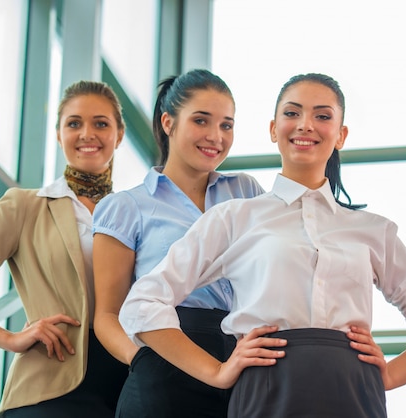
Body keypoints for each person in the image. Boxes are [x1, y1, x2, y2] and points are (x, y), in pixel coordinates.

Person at [118, 73, 406, 418]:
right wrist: (216, 372)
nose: (306, 125)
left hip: (356, 392)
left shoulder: (373, 231)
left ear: (341, 135)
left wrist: (388, 375)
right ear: (272, 129)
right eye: (293, 113)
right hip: (266, 391)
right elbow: (143, 303)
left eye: (323, 116)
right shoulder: (235, 218)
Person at [0, 80, 129, 417]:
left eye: (101, 123)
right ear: (59, 135)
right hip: (48, 386)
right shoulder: (26, 207)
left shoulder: (136, 213)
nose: (87, 133)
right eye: (74, 123)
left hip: (127, 389)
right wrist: (8, 338)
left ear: (119, 135)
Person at [91, 68, 281, 418]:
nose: (215, 136)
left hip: (242, 362)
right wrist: (145, 359)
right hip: (166, 358)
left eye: (226, 125)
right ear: (168, 122)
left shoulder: (246, 192)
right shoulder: (125, 207)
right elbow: (106, 315)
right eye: (201, 120)